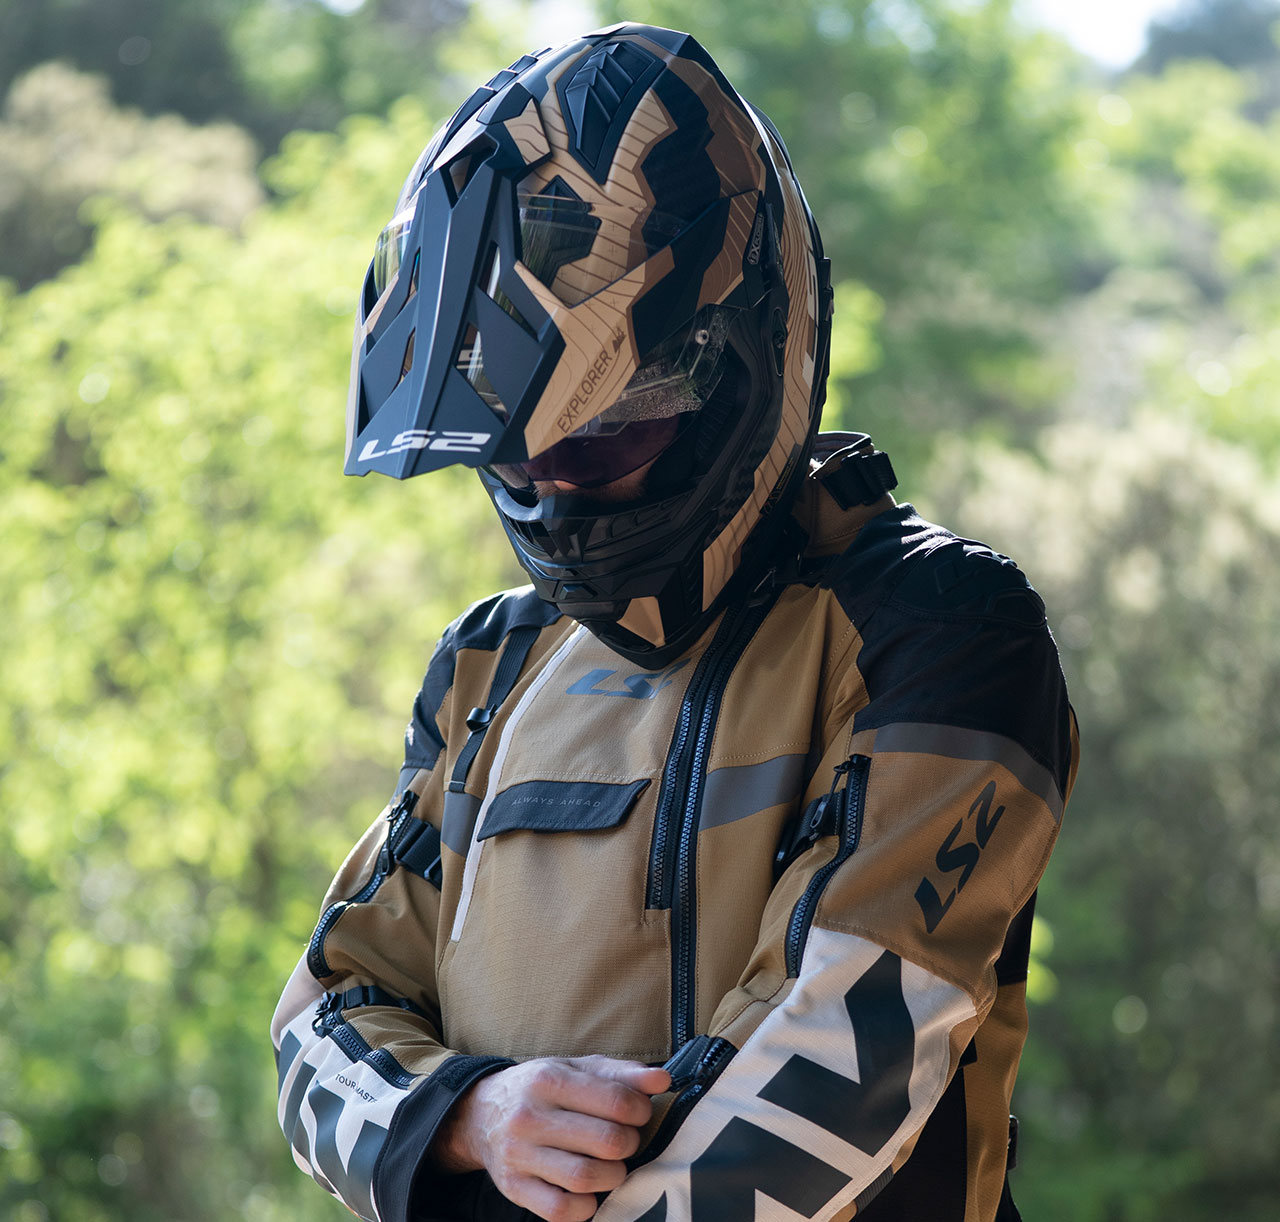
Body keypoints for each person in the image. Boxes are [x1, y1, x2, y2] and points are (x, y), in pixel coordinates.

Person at [270, 22, 1079, 1222]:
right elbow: (321, 1016)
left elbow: (824, 1094)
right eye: (516, 453)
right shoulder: (490, 663)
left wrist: (470, 1154)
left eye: (600, 433)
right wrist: (470, 1115)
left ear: (738, 368)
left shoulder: (939, 627)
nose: (553, 489)